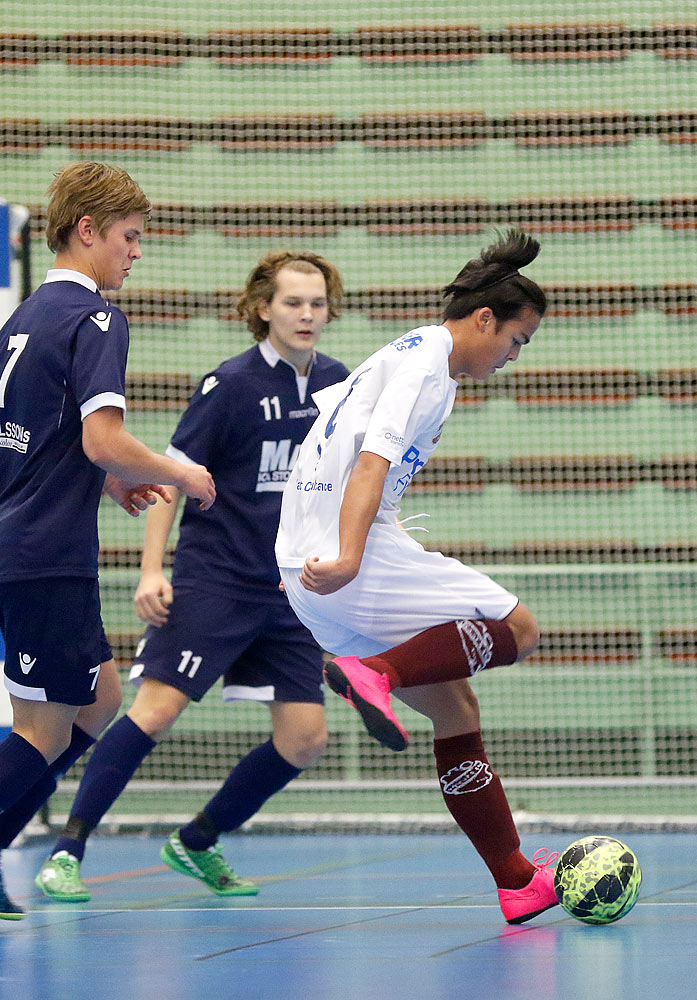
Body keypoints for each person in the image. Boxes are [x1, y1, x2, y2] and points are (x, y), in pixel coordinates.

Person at [0, 161, 215, 932]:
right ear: (87, 231)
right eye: (129, 237)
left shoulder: (24, 317)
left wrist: (113, 480)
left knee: (103, 701)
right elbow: (103, 433)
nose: (136, 252)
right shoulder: (95, 319)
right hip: (46, 553)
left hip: (25, 539)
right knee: (43, 732)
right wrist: (177, 471)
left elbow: (65, 445)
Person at [34, 250, 349, 901]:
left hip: (289, 593)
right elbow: (165, 481)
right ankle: (67, 850)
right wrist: (152, 571)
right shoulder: (229, 385)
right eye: (294, 302)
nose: (307, 315)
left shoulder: (339, 386)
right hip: (215, 581)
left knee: (305, 739)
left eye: (317, 303)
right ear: (264, 308)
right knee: (154, 712)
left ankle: (197, 842)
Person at [275, 229, 556, 925]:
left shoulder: (404, 351)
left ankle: (518, 881)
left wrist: (324, 547)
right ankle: (377, 675)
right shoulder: (429, 368)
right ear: (484, 319)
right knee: (520, 628)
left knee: (458, 712)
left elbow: (333, 439)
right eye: (516, 342)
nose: (513, 358)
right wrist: (344, 554)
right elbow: (370, 460)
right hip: (343, 559)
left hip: (306, 562)